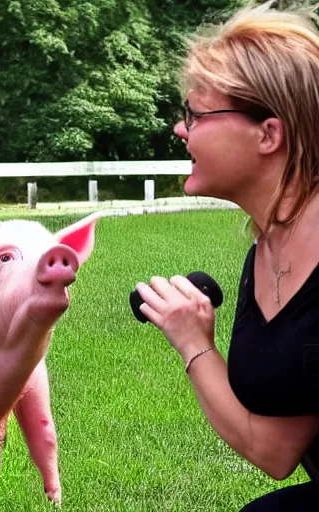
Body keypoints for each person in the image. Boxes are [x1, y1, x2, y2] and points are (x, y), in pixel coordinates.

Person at [134, 1, 319, 510]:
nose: (180, 128)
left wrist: (194, 342)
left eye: (196, 113)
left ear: (269, 134)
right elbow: (275, 450)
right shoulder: (264, 254)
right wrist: (194, 341)